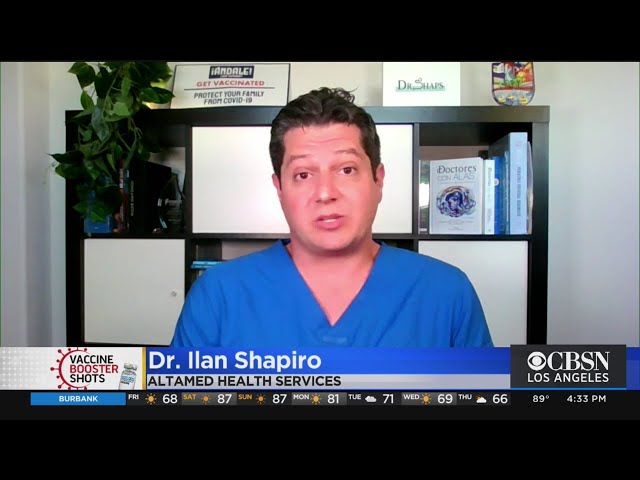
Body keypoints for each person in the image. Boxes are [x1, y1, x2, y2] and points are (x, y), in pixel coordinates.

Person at [171, 87, 493, 348]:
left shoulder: (448, 293)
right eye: (303, 174)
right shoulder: (218, 296)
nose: (325, 193)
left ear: (378, 180)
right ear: (279, 189)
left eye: (347, 169)